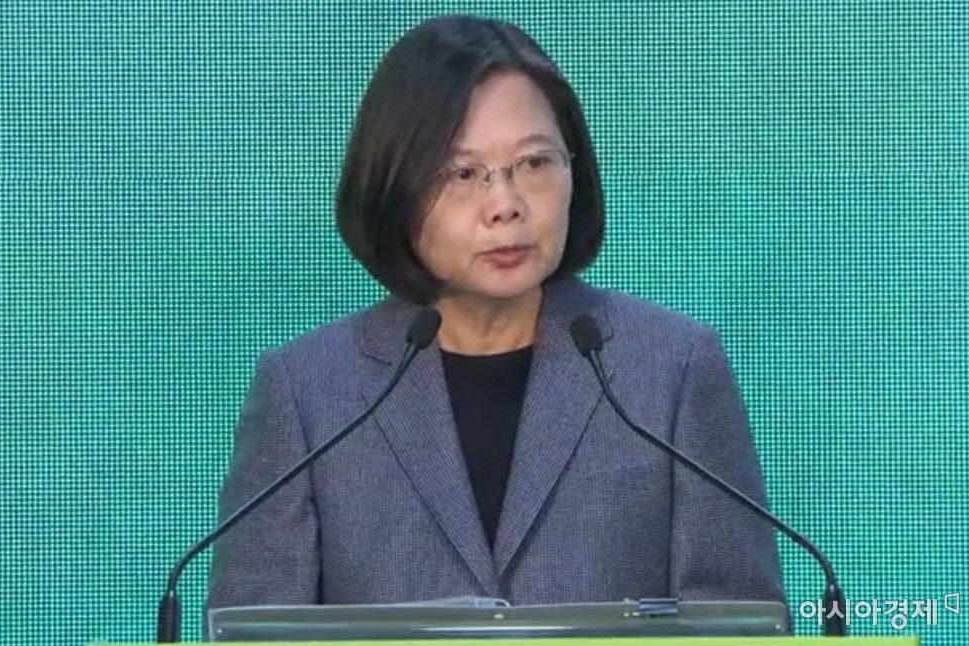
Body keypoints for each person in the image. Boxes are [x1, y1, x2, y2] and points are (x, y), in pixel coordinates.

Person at [207, 14, 784, 610]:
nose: (505, 205)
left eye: (534, 163)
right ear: (392, 187)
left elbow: (740, 622)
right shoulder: (307, 395)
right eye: (462, 173)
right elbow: (253, 631)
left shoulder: (672, 370)